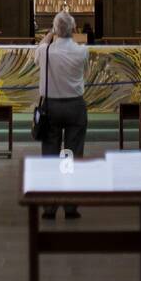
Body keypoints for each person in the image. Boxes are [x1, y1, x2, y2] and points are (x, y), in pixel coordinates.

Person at [34, 11, 89, 220]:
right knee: (72, 156)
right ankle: (70, 207)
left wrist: (49, 34)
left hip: (51, 107)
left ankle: (49, 207)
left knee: (49, 157)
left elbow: (36, 54)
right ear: (74, 30)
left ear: (56, 30)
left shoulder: (46, 51)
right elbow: (85, 71)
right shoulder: (82, 51)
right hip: (75, 106)